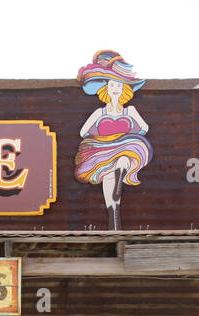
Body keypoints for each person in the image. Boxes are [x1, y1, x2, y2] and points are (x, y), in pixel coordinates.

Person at [74, 50, 153, 229]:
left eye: (118, 86)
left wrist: (126, 137)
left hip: (126, 147)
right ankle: (114, 219)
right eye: (111, 86)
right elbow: (82, 132)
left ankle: (119, 180)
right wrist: (101, 139)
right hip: (102, 151)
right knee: (108, 182)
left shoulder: (130, 111)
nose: (115, 89)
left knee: (124, 159)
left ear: (124, 89)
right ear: (106, 89)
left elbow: (145, 128)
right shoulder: (99, 113)